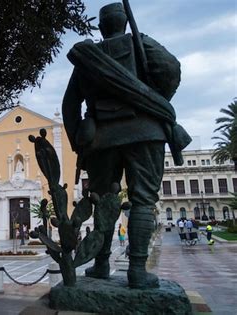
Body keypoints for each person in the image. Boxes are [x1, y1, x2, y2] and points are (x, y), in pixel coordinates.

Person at [62, 2, 190, 289]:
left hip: (101, 139)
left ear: (100, 27)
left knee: (104, 203)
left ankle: (101, 263)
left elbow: (70, 104)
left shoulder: (89, 57)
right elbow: (171, 69)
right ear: (123, 23)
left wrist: (78, 144)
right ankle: (136, 271)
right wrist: (155, 99)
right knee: (144, 200)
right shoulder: (140, 43)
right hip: (145, 131)